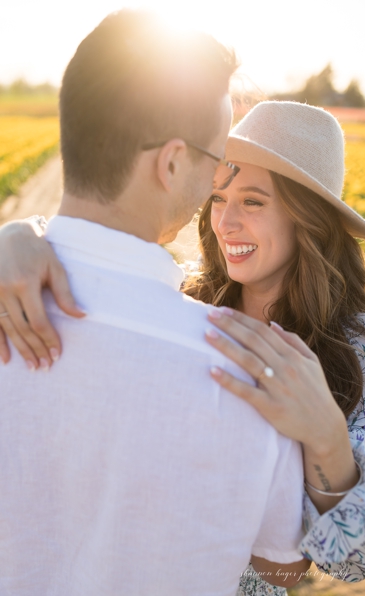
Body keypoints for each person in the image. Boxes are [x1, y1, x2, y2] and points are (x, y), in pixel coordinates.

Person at [0, 100, 365, 595]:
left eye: (253, 202)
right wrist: (18, 234)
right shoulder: (183, 303)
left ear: (310, 219)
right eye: (217, 197)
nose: (225, 223)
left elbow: (355, 563)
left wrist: (326, 439)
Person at [0, 11, 308, 594]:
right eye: (216, 162)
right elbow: (282, 568)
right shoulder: (251, 370)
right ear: (170, 163)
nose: (217, 185)